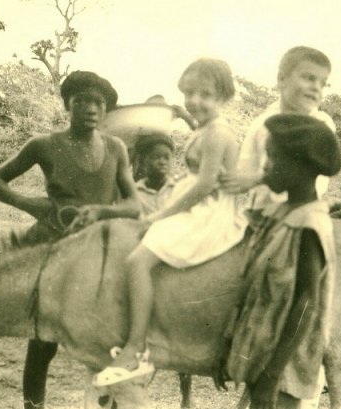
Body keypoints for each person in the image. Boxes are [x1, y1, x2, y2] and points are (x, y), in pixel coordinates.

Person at [0, 71, 141, 409]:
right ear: (67, 103)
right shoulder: (43, 145)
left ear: (106, 110)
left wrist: (100, 211)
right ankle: (33, 405)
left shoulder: (116, 149)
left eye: (98, 103)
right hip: (53, 248)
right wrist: (32, 205)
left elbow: (134, 205)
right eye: (82, 100)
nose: (90, 108)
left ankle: (111, 405)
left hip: (97, 250)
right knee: (43, 338)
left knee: (109, 336)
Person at [92, 58, 247, 385]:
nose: (196, 101)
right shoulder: (205, 127)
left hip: (212, 211)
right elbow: (197, 133)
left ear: (223, 97)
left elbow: (205, 185)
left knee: (137, 261)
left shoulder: (219, 133)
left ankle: (136, 348)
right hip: (197, 203)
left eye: (205, 95)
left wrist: (163, 214)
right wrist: (183, 113)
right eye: (190, 93)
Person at [223, 114, 341, 409]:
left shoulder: (309, 224)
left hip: (285, 364)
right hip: (267, 356)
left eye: (273, 158)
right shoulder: (282, 212)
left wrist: (272, 373)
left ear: (301, 166)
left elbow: (306, 303)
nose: (265, 167)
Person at [220, 46, 336, 213]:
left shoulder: (321, 124)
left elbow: (302, 174)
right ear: (282, 79)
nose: (316, 87)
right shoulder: (263, 123)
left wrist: (256, 179)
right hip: (261, 209)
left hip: (301, 209)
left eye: (322, 83)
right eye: (309, 78)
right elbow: (244, 172)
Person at [133, 133, 176, 217]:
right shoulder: (135, 192)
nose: (162, 162)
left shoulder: (177, 189)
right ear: (143, 161)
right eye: (156, 157)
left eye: (166, 158)